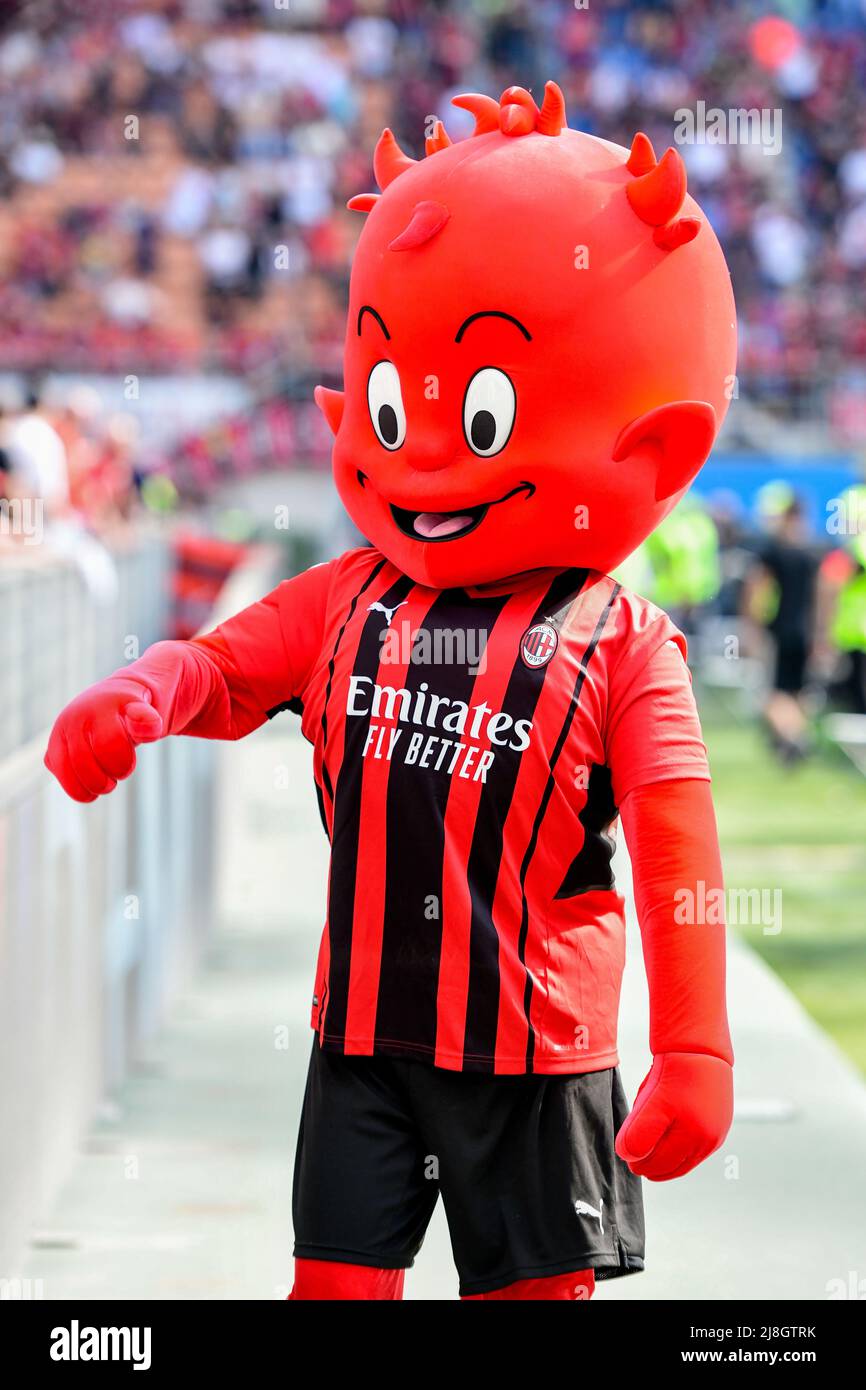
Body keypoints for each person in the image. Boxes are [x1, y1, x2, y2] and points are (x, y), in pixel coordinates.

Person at [45, 84, 736, 1301]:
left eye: (474, 409)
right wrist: (144, 690)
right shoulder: (348, 597)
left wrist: (693, 1044)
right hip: (362, 1042)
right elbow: (221, 667)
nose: (417, 449)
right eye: (387, 399)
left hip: (536, 1059)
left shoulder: (627, 642)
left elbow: (680, 854)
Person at [744, 488, 822, 761]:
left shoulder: (773, 551)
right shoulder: (812, 554)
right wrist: (821, 637)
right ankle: (795, 738)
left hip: (779, 630)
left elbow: (756, 588)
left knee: (775, 693)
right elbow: (819, 599)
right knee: (798, 691)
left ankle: (792, 738)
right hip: (806, 632)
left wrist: (751, 625)